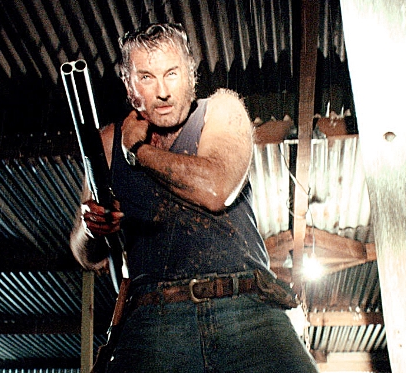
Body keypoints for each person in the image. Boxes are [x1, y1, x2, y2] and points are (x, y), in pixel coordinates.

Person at [70, 23, 319, 373]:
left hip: (247, 306)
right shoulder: (107, 142)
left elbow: (216, 189)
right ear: (129, 85)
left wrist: (138, 150)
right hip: (153, 319)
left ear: (190, 74)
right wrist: (93, 228)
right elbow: (84, 253)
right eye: (146, 77)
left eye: (171, 74)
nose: (162, 92)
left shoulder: (221, 110)